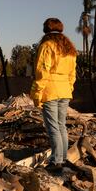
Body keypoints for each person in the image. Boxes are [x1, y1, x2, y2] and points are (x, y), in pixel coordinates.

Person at [30, 18, 77, 173]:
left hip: (50, 90)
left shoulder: (46, 46)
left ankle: (56, 161)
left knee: (53, 127)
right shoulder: (69, 49)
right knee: (61, 125)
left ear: (46, 30)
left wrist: (36, 93)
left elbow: (42, 72)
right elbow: (72, 74)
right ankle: (63, 158)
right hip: (65, 91)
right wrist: (69, 88)